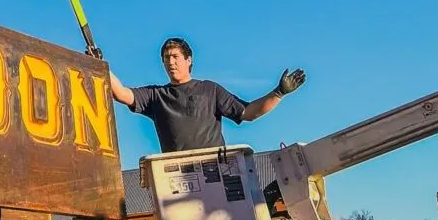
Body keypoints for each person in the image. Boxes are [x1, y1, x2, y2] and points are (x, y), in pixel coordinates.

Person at [109, 37, 306, 153]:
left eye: (175, 57)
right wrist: (101, 67)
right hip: (176, 176)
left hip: (215, 170)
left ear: (188, 60)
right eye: (166, 58)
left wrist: (279, 92)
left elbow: (248, 112)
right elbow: (122, 94)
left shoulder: (209, 90)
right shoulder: (156, 95)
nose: (171, 62)